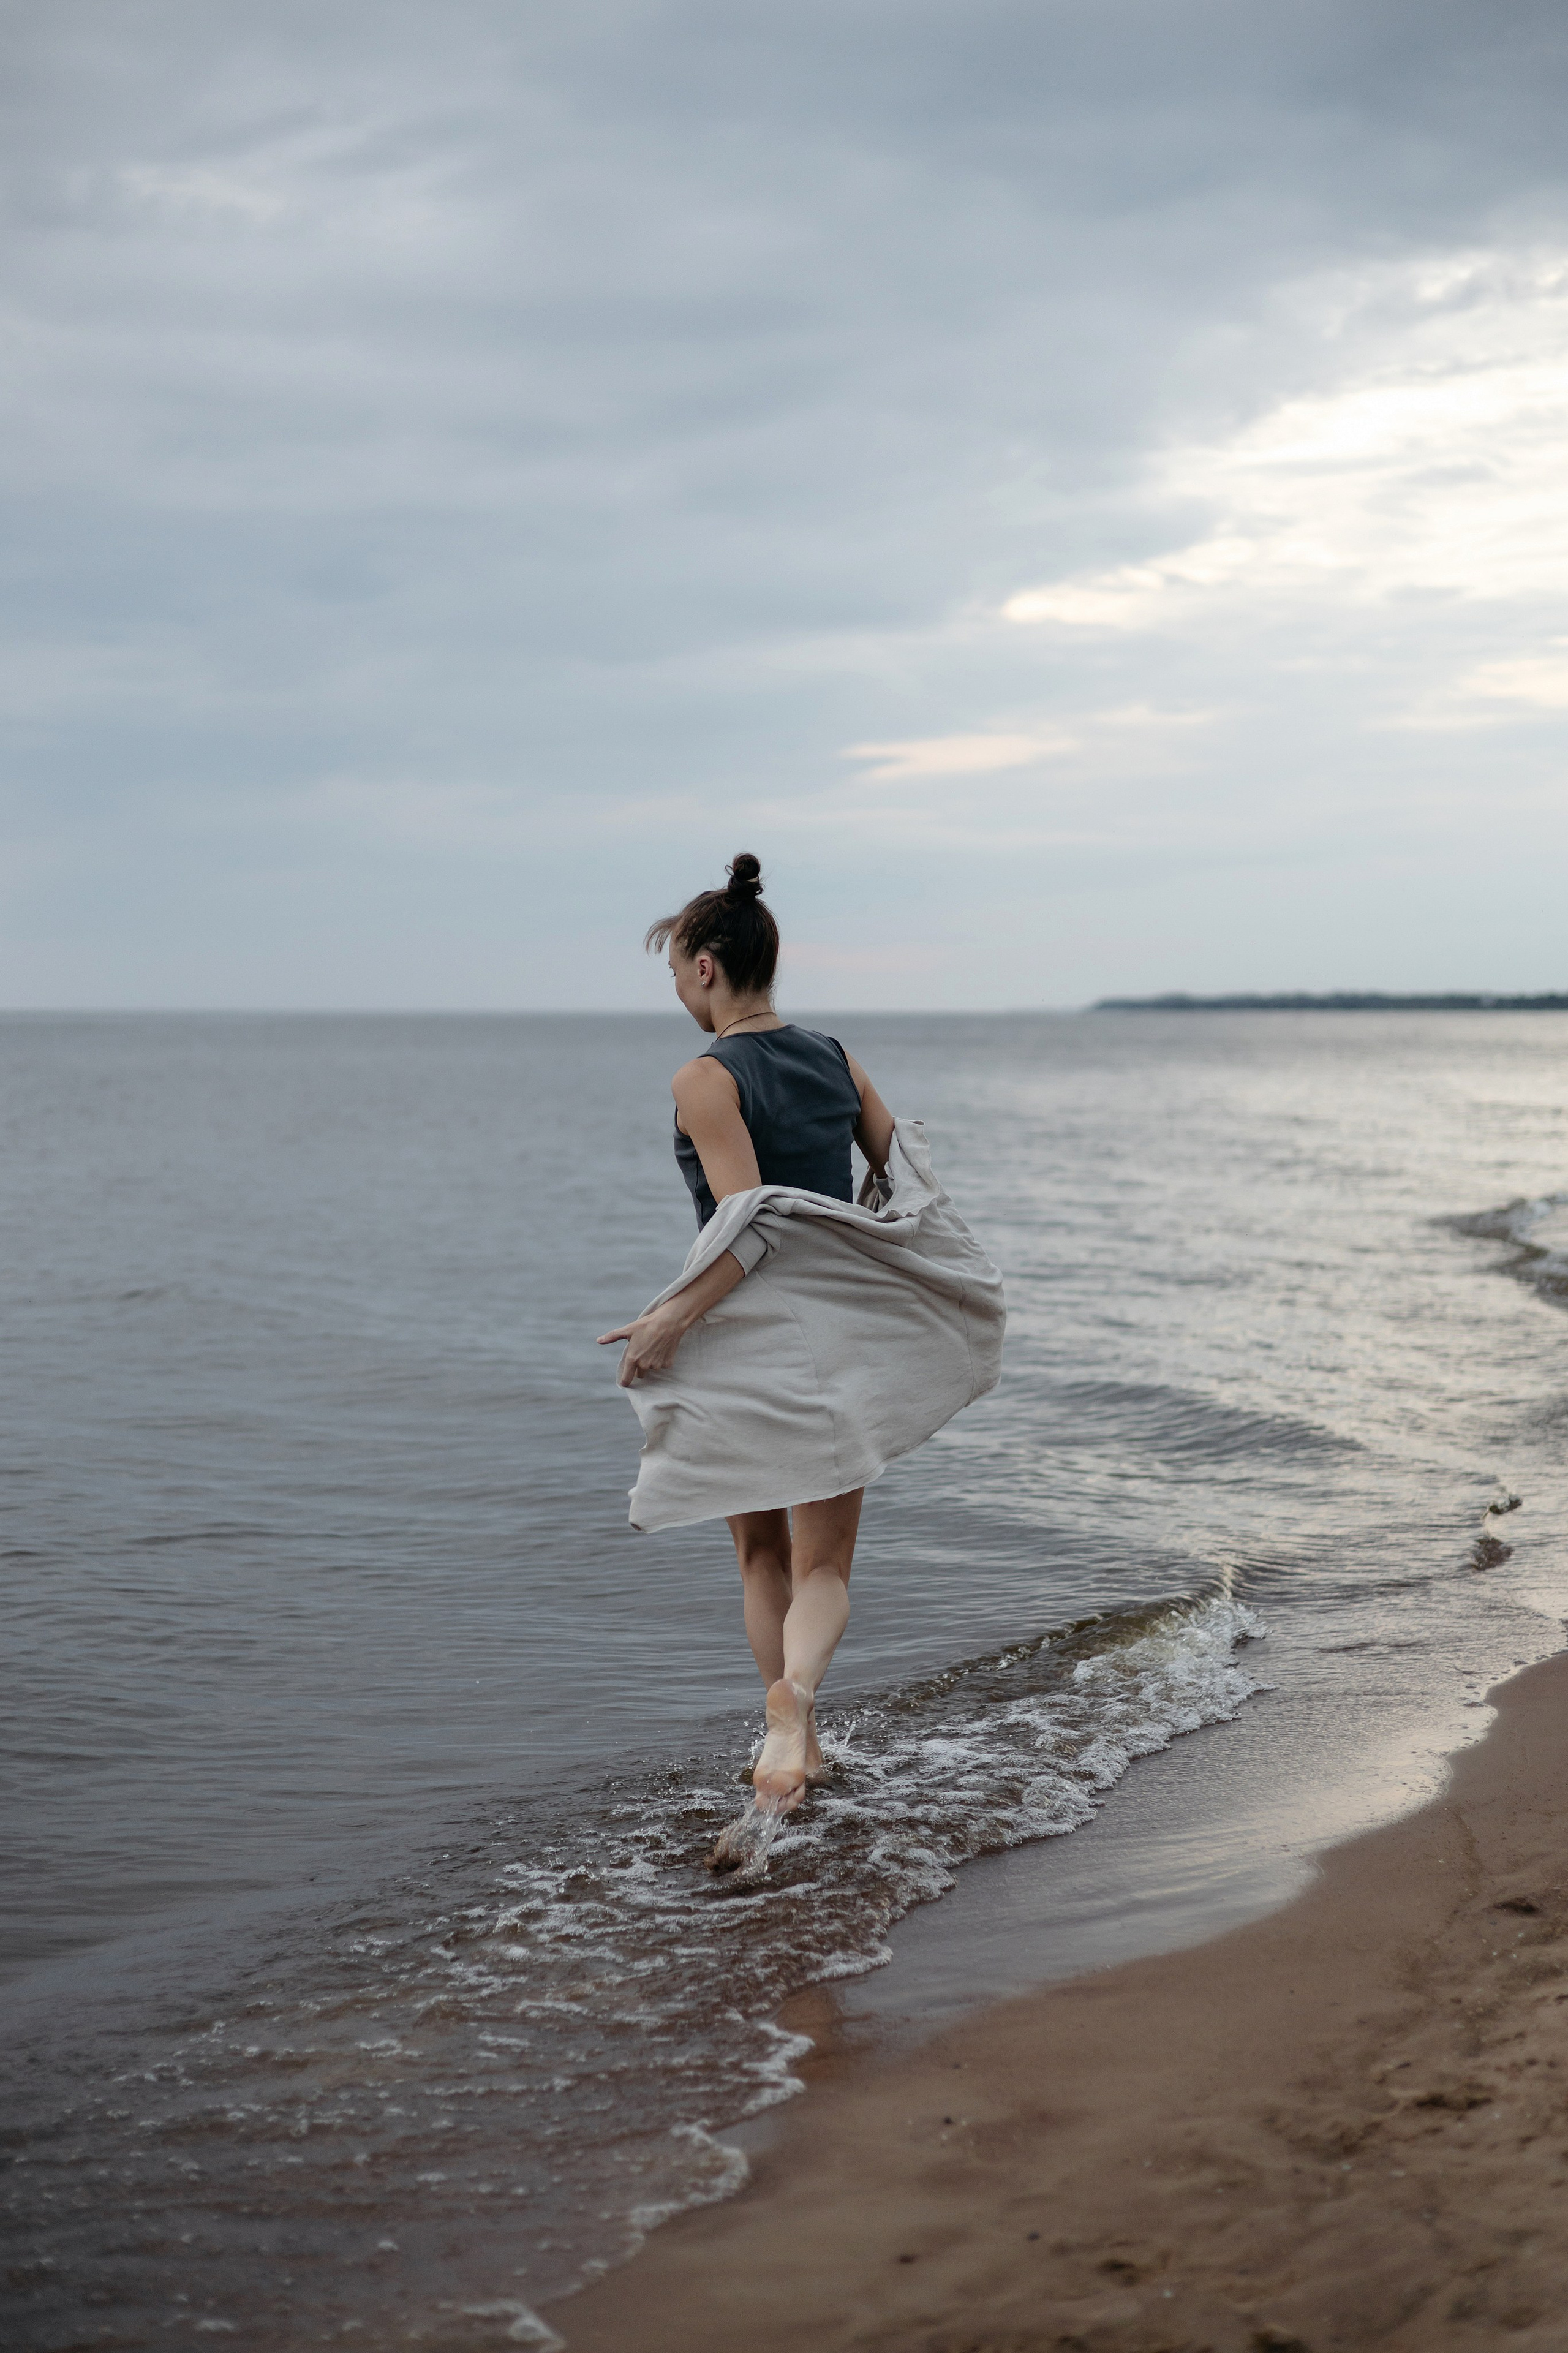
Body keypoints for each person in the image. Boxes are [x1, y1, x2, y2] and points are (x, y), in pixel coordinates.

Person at [598, 852, 895, 1820]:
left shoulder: (704, 1076)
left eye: (678, 972)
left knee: (762, 1558)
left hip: (743, 1336)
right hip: (840, 1334)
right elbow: (906, 1179)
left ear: (707, 969)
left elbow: (749, 1220)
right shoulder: (836, 1056)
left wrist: (670, 1316)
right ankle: (795, 1722)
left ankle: (790, 1739)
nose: (680, 991)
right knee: (826, 1569)